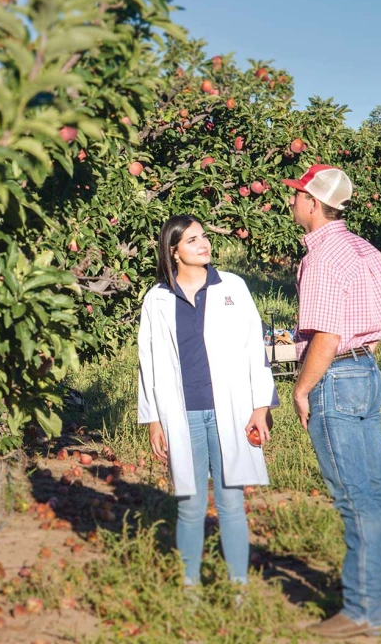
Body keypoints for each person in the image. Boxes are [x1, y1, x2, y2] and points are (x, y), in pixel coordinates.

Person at [282, 164, 381, 638]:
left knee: (353, 496)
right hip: (366, 369)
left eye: (297, 195)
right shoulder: (366, 250)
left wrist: (301, 387)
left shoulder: (322, 257)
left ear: (313, 203)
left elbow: (326, 334)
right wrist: (357, 361)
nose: (292, 202)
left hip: (335, 375)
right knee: (379, 488)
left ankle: (362, 609)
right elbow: (374, 320)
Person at [137, 214, 276, 589]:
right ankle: (189, 588)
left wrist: (260, 407)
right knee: (191, 506)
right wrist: (153, 420)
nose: (204, 244)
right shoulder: (157, 299)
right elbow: (147, 362)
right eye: (193, 240)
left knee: (231, 505)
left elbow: (254, 349)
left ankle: (238, 588)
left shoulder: (232, 287)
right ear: (174, 251)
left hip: (229, 412)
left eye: (204, 237)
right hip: (181, 415)